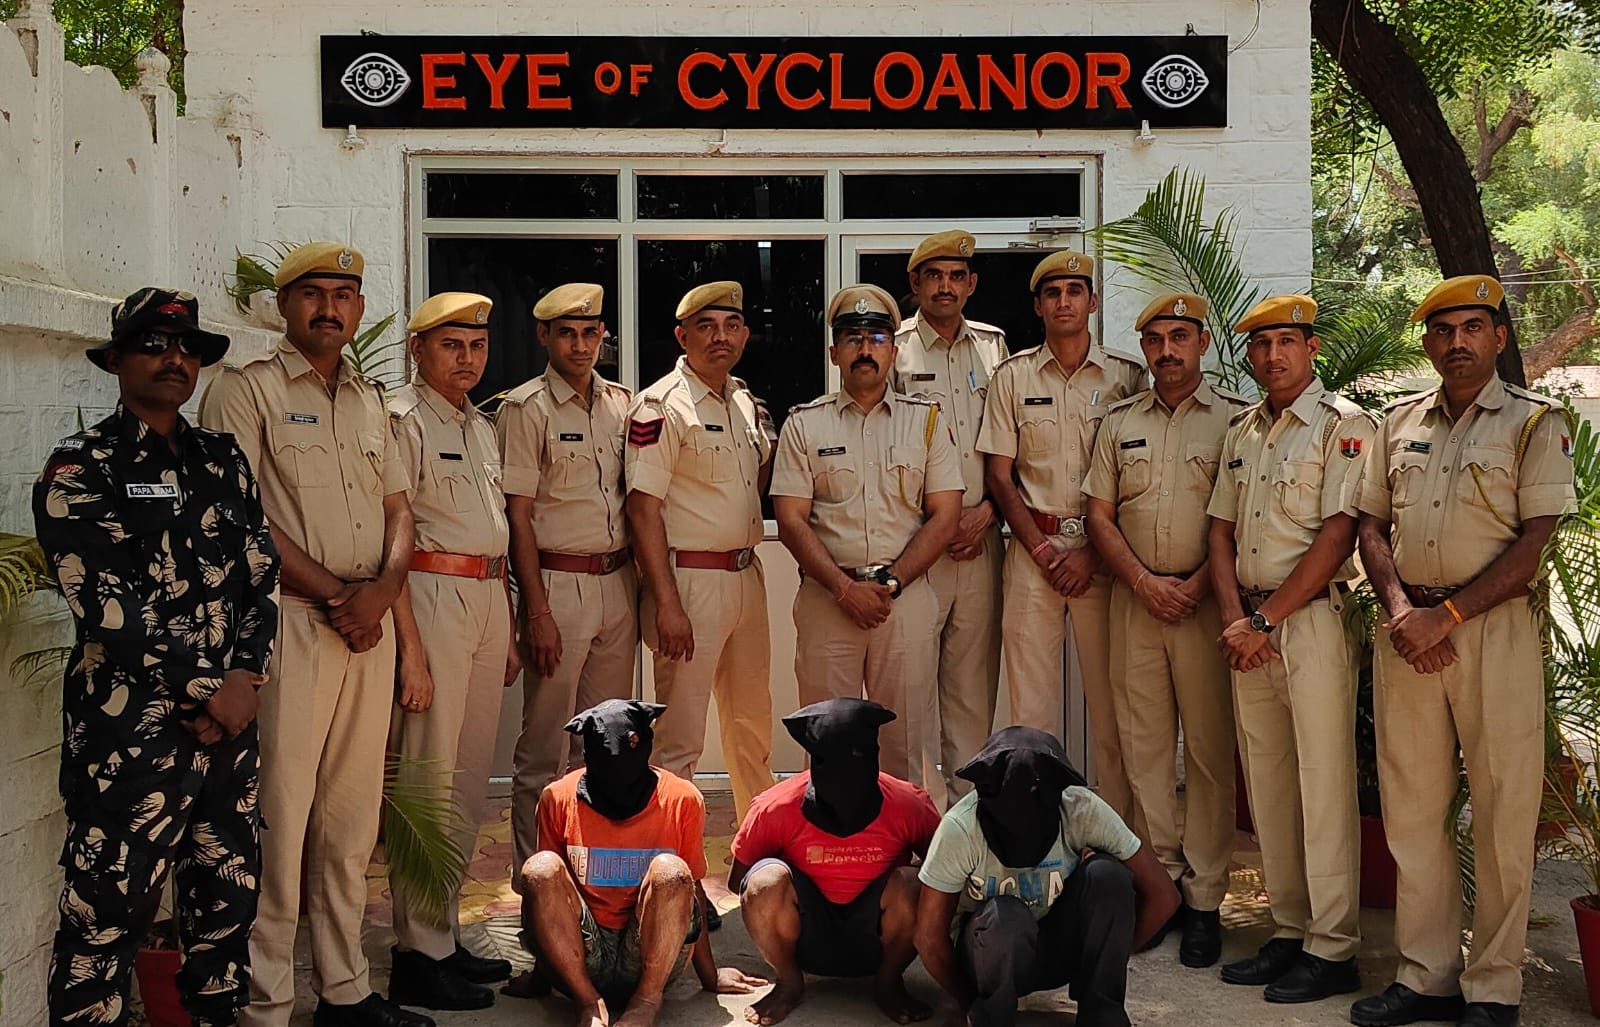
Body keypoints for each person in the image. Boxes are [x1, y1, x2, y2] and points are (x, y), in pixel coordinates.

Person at [36, 288, 278, 1027]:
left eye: (187, 347)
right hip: (129, 739)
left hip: (228, 736)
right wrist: (211, 689)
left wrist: (245, 679)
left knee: (226, 914)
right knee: (103, 926)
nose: (174, 359)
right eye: (153, 344)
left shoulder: (223, 459)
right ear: (115, 360)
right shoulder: (81, 467)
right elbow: (106, 607)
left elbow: (261, 575)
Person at [199, 242, 424, 1027]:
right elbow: (241, 517)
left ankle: (345, 990)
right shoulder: (246, 389)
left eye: (345, 294)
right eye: (313, 294)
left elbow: (399, 507)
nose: (331, 308)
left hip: (367, 625)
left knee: (350, 820)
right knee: (280, 817)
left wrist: (383, 591)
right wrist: (338, 595)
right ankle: (266, 1004)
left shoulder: (369, 399)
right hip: (291, 622)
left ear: (359, 307)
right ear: (284, 304)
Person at [1350, 275, 1575, 1027]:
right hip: (1407, 630)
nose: (1458, 343)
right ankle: (1426, 974)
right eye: (1443, 331)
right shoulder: (1397, 422)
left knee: (1504, 810)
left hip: (1490, 632)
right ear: (1427, 342)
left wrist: (1445, 615)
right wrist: (1402, 610)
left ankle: (1494, 986)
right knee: (1412, 811)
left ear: (1499, 338)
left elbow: (1534, 544)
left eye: (1473, 328)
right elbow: (1371, 526)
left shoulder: (1533, 422)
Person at [1206, 294, 1374, 1004]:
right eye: (1261, 344)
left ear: (1311, 348)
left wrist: (1265, 620)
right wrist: (1235, 621)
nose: (1272, 355)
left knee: (1323, 783)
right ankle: (1289, 927)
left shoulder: (1343, 426)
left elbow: (1338, 536)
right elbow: (1219, 532)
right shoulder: (1244, 429)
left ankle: (1332, 946)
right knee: (1270, 784)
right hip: (1249, 627)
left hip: (1308, 623)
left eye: (1286, 342)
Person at [1082, 292, 1245, 968]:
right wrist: (1145, 583)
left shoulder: (1236, 419)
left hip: (1207, 605)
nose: (1168, 350)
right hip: (1137, 602)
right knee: (1143, 750)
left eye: (1180, 337)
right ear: (1144, 347)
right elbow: (1099, 515)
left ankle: (1205, 898)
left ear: (1201, 342)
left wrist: (1197, 586)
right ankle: (1164, 887)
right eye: (1155, 339)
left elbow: (1239, 520)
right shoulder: (1120, 421)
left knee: (1208, 753)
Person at [771, 285, 964, 794]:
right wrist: (844, 589)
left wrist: (892, 583)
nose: (865, 349)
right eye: (852, 338)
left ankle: (901, 844)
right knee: (826, 738)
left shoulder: (926, 421)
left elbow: (945, 515)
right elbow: (790, 520)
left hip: (904, 603)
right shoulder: (804, 424)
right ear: (834, 352)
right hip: (827, 600)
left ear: (893, 351)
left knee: (905, 745)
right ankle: (827, 840)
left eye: (877, 338)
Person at [384, 292, 520, 1010]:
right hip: (432, 596)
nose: (468, 358)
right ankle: (416, 951)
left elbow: (496, 530)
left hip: (487, 596)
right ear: (418, 349)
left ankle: (442, 930)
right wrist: (409, 648)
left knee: (468, 779)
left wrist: (509, 620)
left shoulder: (480, 425)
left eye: (477, 345)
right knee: (427, 777)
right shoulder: (401, 420)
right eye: (451, 345)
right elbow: (393, 539)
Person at [978, 251, 1146, 823]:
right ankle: (1036, 830)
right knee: (1031, 711)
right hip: (1035, 556)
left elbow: (1136, 481)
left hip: (1105, 558)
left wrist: (1093, 552)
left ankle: (1120, 834)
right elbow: (1000, 477)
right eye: (1053, 293)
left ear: (1093, 302)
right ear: (1038, 306)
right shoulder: (1013, 377)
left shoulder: (1127, 376)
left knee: (1116, 706)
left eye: (1075, 291)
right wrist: (1042, 549)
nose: (1064, 302)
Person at [497, 283, 637, 900]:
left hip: (617, 583)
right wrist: (537, 609)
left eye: (590, 333)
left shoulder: (622, 404)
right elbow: (518, 514)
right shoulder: (526, 409)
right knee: (544, 748)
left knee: (607, 742)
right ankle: (536, 885)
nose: (580, 345)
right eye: (567, 334)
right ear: (544, 337)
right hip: (558, 585)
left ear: (602, 335)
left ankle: (594, 880)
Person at [624, 281, 775, 822]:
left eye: (731, 326)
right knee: (680, 738)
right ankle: (671, 859)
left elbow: (751, 483)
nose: (720, 337)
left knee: (752, 728)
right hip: (689, 582)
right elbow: (642, 509)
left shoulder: (744, 402)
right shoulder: (661, 406)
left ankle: (756, 847)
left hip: (745, 576)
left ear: (746, 335)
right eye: (706, 327)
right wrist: (666, 602)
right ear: (681, 336)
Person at [519, 700, 767, 1027]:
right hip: (580, 956)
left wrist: (710, 976)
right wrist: (541, 976)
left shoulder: (682, 798)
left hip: (653, 955)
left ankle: (646, 1001)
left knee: (671, 871)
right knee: (539, 868)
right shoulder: (557, 797)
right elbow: (545, 896)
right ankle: (588, 1003)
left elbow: (691, 890)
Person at [912, 727, 1179, 1027]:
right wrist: (968, 1001)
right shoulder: (961, 828)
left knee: (1108, 876)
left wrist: (1106, 960)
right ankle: (990, 1016)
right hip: (988, 957)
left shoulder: (1080, 809)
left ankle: (1102, 1012)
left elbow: (1164, 896)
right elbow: (928, 937)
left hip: (1058, 949)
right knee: (1006, 916)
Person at [730, 698, 942, 1026]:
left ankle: (888, 983)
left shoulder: (909, 804)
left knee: (917, 883)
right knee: (764, 882)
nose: (847, 776)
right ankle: (789, 981)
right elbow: (740, 883)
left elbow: (946, 879)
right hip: (804, 939)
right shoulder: (776, 806)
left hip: (878, 942)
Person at [892, 230, 1006, 802]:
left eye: (956, 276)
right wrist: (936, 524)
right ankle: (918, 822)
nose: (945, 286)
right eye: (934, 276)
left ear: (972, 284)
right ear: (915, 284)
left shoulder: (994, 348)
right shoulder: (892, 348)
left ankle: (969, 819)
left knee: (970, 694)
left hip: (981, 539)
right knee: (910, 694)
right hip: (916, 546)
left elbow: (1010, 444)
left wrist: (988, 512)